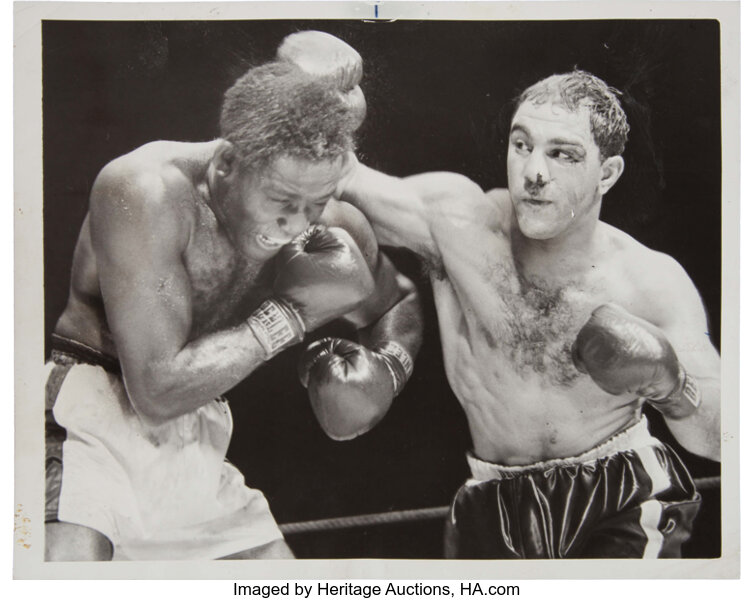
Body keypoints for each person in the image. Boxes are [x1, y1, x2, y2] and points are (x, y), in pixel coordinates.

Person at [44, 34, 422, 561]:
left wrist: (386, 367)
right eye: (281, 200)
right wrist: (292, 314)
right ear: (227, 164)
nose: (296, 225)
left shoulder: (332, 224)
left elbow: (397, 303)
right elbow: (154, 391)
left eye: (316, 203)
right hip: (91, 422)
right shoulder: (146, 190)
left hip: (200, 440)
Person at [336, 69, 720, 558]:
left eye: (562, 153)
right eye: (522, 145)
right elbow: (340, 180)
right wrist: (325, 115)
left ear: (607, 173)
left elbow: (726, 436)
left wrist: (672, 384)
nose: (534, 171)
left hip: (619, 496)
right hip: (488, 500)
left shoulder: (648, 280)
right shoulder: (454, 224)